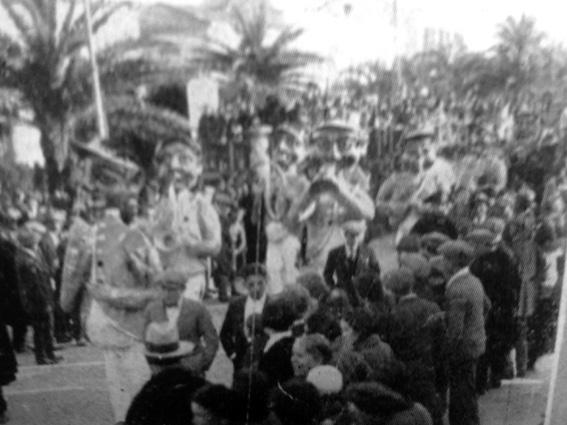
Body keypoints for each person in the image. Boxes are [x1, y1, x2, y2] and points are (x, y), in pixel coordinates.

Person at [152, 137, 221, 300]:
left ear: (198, 167)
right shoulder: (155, 205)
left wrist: (194, 245)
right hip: (161, 277)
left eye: (184, 159)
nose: (174, 165)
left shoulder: (200, 205)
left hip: (190, 277)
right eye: (166, 159)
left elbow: (215, 244)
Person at [383, 267, 444, 425]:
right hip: (430, 370)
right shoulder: (432, 307)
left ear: (393, 290)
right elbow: (441, 343)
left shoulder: (394, 314)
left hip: (407, 374)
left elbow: (392, 348)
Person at [439, 240, 489, 425]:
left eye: (445, 259)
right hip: (476, 343)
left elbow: (455, 330)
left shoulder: (456, 288)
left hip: (462, 350)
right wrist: (476, 325)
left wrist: (445, 352)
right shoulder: (474, 281)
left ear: (453, 262)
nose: (442, 262)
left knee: (460, 395)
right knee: (468, 390)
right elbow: (487, 306)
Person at [467, 227, 521, 392]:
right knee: (497, 344)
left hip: (492, 308)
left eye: (476, 245)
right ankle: (494, 376)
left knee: (488, 344)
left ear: (484, 244)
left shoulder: (481, 262)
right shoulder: (506, 257)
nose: (474, 248)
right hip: (501, 308)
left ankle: (483, 381)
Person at [144, 270, 219, 376]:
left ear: (182, 289)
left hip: (191, 372)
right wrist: (154, 366)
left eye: (172, 290)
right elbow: (147, 342)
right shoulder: (152, 309)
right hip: (161, 373)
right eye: (163, 289)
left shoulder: (197, 309)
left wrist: (198, 364)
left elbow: (212, 341)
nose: (166, 294)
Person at [14, 229, 61, 365]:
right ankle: (42, 356)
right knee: (40, 328)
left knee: (46, 326)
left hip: (42, 294)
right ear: (27, 241)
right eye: (33, 239)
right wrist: (44, 300)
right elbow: (34, 284)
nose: (36, 241)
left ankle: (49, 353)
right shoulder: (25, 258)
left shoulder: (32, 253)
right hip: (36, 298)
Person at [220, 263, 269, 375]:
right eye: (251, 285)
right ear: (245, 285)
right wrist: (233, 355)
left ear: (266, 281)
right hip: (241, 364)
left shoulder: (273, 304)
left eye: (260, 283)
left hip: (266, 363)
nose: (256, 288)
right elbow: (225, 333)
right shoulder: (236, 305)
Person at [323, 220, 380, 306]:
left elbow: (376, 271)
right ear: (345, 236)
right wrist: (333, 288)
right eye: (352, 236)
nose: (355, 239)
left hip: (363, 295)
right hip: (343, 294)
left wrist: (368, 285)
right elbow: (327, 274)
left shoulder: (368, 251)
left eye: (358, 236)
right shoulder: (334, 253)